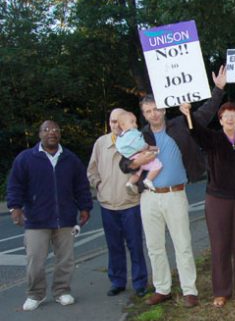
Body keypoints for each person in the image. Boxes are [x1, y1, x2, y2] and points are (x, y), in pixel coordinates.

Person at [121, 66, 225, 308]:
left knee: (182, 243)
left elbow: (207, 112)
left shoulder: (181, 125)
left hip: (175, 194)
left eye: (156, 109)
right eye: (147, 111)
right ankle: (162, 288)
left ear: (164, 108)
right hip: (149, 196)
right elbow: (123, 162)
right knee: (155, 246)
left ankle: (190, 290)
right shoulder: (140, 136)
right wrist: (135, 162)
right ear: (143, 115)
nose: (153, 114)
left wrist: (218, 89)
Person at [7, 120, 93, 310]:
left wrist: (85, 207)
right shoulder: (26, 158)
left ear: (60, 134)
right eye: (46, 130)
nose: (51, 133)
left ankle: (62, 291)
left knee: (65, 259)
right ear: (39, 134)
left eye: (55, 130)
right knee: (35, 261)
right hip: (36, 220)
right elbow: (15, 185)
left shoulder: (70, 159)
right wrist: (15, 208)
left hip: (66, 219)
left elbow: (81, 186)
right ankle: (35, 294)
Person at [180, 99, 235, 308]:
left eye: (234, 115)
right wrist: (188, 114)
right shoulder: (213, 139)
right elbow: (196, 132)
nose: (230, 118)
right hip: (217, 200)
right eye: (226, 116)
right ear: (221, 120)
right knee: (220, 244)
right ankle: (221, 291)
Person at [87, 108, 149, 297]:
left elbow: (147, 167)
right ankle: (117, 281)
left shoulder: (136, 142)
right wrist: (99, 186)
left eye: (119, 122)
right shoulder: (101, 143)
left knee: (135, 245)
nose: (116, 125)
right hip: (108, 204)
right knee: (114, 246)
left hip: (130, 203)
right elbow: (92, 170)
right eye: (112, 121)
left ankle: (140, 283)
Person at [115, 111, 162, 192]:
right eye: (132, 122)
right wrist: (149, 147)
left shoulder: (121, 137)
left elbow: (120, 149)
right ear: (123, 125)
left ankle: (129, 183)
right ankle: (148, 180)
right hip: (138, 155)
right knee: (157, 164)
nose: (135, 124)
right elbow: (140, 145)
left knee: (137, 174)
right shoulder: (132, 134)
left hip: (131, 156)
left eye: (135, 122)